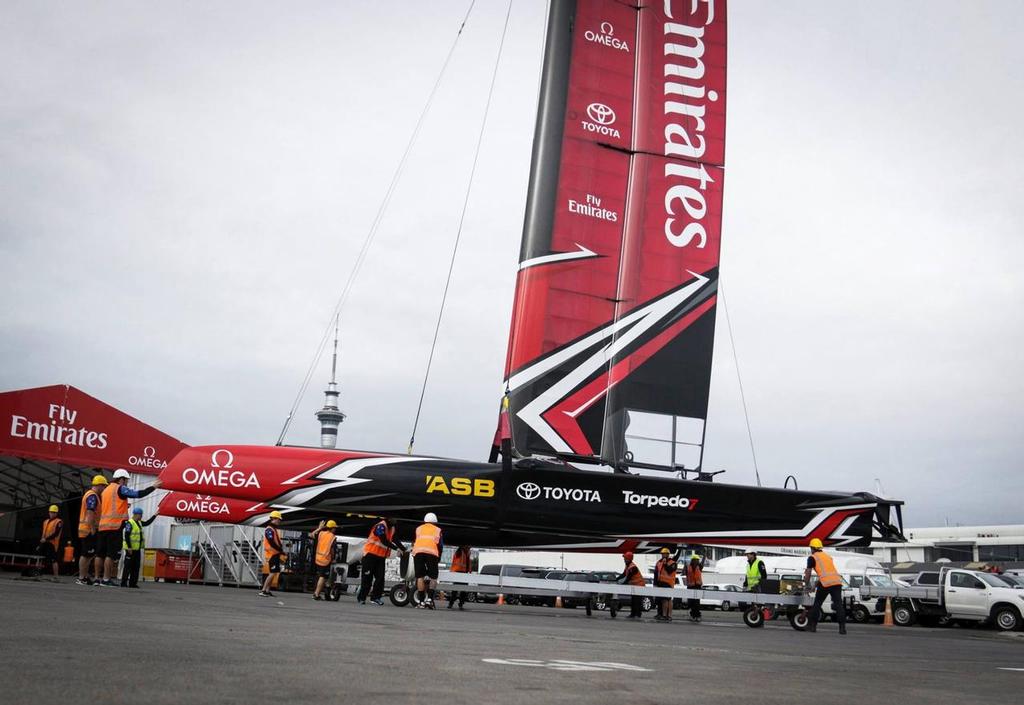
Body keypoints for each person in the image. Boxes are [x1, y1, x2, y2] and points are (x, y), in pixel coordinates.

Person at [97, 469, 160, 587]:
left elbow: (111, 506)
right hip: (114, 526)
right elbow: (138, 494)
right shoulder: (120, 488)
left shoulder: (105, 490)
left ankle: (97, 579)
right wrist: (153, 487)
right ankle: (106, 579)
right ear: (121, 479)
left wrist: (125, 505)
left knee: (100, 554)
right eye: (126, 480)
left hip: (103, 526)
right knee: (110, 555)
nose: (126, 483)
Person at [357, 516, 405, 605]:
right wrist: (396, 549)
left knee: (380, 578)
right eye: (394, 518)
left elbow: (396, 540)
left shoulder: (392, 528)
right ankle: (362, 597)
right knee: (367, 577)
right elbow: (383, 540)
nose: (396, 520)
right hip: (370, 555)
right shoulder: (380, 526)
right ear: (388, 518)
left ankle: (375, 598)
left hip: (381, 557)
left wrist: (404, 549)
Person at [803, 538, 847, 635]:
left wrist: (806, 584)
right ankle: (842, 628)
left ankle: (812, 626)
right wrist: (815, 585)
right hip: (836, 582)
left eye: (811, 548)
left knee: (817, 604)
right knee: (838, 605)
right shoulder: (827, 557)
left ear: (812, 548)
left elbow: (808, 573)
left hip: (825, 584)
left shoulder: (812, 557)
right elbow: (825, 573)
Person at [77, 475, 107, 585]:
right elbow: (90, 512)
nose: (104, 489)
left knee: (88, 555)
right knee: (86, 554)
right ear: (99, 485)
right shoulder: (92, 496)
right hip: (88, 530)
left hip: (85, 529)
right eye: (103, 486)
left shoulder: (90, 495)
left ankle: (84, 576)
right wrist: (92, 528)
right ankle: (81, 577)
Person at [412, 512, 443, 609]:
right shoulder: (438, 530)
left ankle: (421, 602)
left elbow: (416, 541)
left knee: (420, 577)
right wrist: (439, 557)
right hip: (432, 553)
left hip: (418, 552)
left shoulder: (418, 529)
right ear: (435, 522)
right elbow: (440, 545)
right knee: (433, 577)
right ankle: (429, 600)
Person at [120, 507, 156, 588]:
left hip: (137, 549)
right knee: (127, 567)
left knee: (136, 567)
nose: (141, 516)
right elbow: (127, 535)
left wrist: (155, 515)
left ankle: (133, 583)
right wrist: (129, 547)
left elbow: (147, 523)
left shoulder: (139, 523)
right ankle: (124, 583)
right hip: (130, 549)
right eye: (141, 515)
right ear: (136, 514)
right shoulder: (130, 523)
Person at [259, 511, 286, 597]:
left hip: (275, 553)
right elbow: (271, 542)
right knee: (272, 573)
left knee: (274, 572)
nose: (279, 521)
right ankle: (263, 590)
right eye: (278, 519)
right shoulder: (269, 529)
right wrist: (280, 549)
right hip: (271, 554)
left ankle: (267, 590)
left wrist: (280, 550)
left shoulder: (273, 529)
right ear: (274, 519)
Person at [311, 520, 337, 601]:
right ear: (332, 528)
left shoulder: (321, 533)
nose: (335, 529)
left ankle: (318, 592)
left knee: (320, 577)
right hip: (325, 560)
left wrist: (319, 528)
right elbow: (332, 550)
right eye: (335, 528)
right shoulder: (332, 537)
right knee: (323, 577)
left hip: (318, 558)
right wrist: (333, 559)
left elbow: (311, 535)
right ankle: (316, 594)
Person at [37, 505, 63, 580]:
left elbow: (56, 533)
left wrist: (46, 539)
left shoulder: (59, 521)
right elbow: (43, 533)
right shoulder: (45, 521)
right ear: (49, 512)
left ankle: (56, 576)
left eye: (54, 512)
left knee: (54, 560)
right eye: (51, 512)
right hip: (44, 542)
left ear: (56, 513)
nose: (52, 514)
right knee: (41, 558)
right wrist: (40, 544)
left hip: (52, 543)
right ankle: (39, 573)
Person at [618, 551, 646, 619]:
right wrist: (616, 579)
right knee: (633, 600)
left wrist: (622, 584)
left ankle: (637, 614)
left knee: (637, 601)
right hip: (635, 586)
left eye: (625, 558)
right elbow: (623, 574)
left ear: (629, 558)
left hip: (639, 586)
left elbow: (628, 578)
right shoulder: (628, 566)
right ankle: (633, 614)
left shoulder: (633, 567)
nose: (624, 559)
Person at [653, 548, 677, 622]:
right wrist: (655, 583)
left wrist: (665, 563)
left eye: (665, 554)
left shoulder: (672, 562)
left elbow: (670, 571)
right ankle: (661, 614)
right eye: (662, 554)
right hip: (660, 583)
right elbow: (656, 573)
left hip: (668, 584)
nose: (663, 555)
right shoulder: (658, 562)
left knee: (667, 600)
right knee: (660, 600)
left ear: (668, 554)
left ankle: (667, 615)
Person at [447, 545, 472, 610]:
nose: (469, 548)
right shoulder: (461, 552)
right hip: (459, 572)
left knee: (459, 590)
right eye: (469, 547)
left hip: (461, 573)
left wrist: (469, 570)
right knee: (458, 590)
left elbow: (468, 563)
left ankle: (453, 604)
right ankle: (455, 604)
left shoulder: (463, 552)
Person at [685, 553, 706, 622]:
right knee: (691, 602)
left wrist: (704, 556)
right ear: (693, 560)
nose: (697, 561)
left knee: (697, 603)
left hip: (697, 586)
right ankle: (692, 615)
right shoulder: (688, 567)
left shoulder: (699, 566)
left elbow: (702, 562)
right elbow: (685, 573)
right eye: (696, 560)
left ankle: (697, 615)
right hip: (690, 587)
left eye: (698, 560)